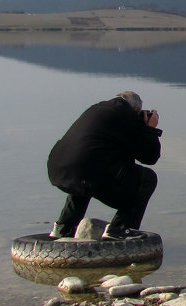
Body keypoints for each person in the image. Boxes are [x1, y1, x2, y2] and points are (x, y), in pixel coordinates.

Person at [47, 91, 162, 240]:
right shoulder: (126, 116)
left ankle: (63, 228)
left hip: (58, 170)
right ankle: (121, 228)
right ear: (136, 110)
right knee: (147, 179)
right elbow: (150, 157)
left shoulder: (97, 109)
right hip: (85, 172)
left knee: (86, 174)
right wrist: (150, 129)